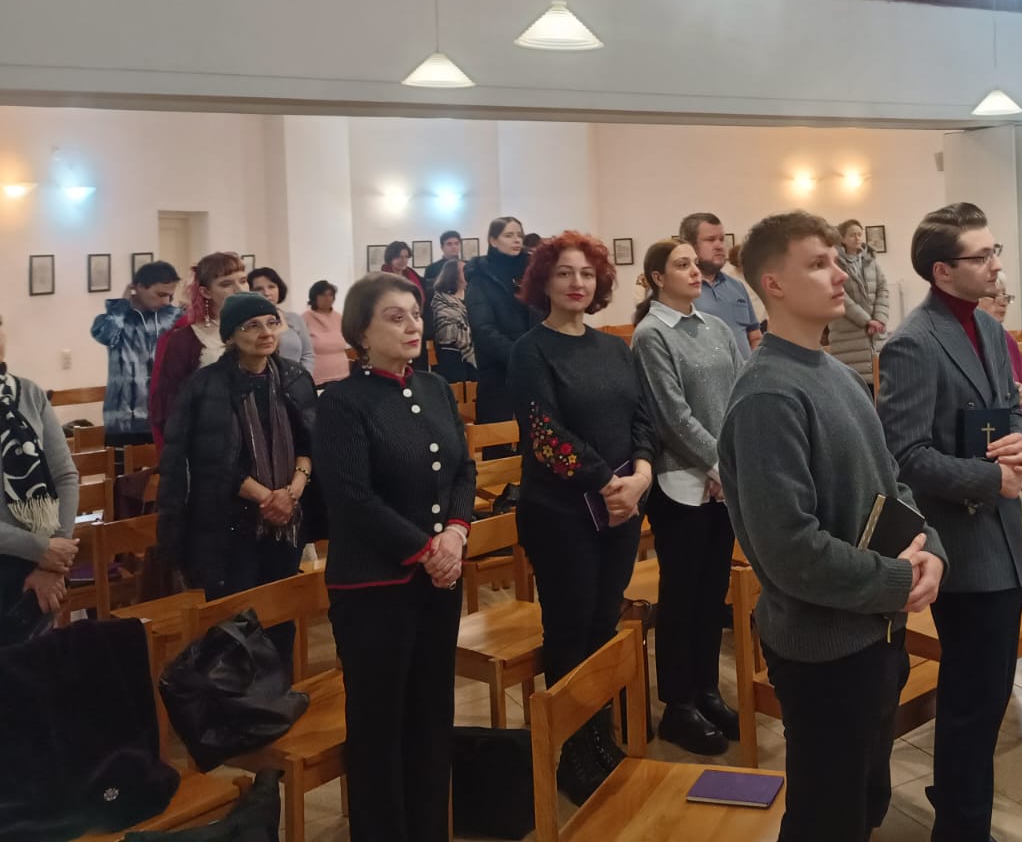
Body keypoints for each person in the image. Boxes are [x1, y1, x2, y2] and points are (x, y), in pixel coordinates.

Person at [719, 212, 945, 842]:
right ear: (774, 284)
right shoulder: (768, 396)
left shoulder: (838, 374)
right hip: (823, 649)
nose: (839, 273)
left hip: (875, 632)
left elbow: (891, 483)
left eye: (835, 260)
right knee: (827, 817)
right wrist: (898, 579)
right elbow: (791, 550)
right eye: (818, 263)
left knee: (867, 799)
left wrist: (931, 551)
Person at [878, 202, 1022, 841]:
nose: (996, 265)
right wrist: (989, 479)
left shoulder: (988, 328)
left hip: (1004, 535)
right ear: (943, 271)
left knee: (988, 695)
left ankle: (959, 808)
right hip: (961, 544)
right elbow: (904, 455)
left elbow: (1010, 410)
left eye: (995, 252)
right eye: (982, 255)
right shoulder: (914, 342)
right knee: (972, 700)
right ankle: (961, 829)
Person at [312, 273, 476, 842]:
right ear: (362, 331)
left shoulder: (434, 387)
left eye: (415, 314)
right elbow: (351, 497)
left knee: (432, 715)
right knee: (380, 726)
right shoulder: (341, 402)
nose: (412, 325)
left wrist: (455, 533)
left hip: (439, 580)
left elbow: (462, 470)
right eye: (395, 316)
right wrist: (424, 549)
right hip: (374, 588)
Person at [508, 232, 656, 804]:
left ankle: (600, 735)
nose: (577, 283)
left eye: (587, 274)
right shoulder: (531, 350)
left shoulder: (614, 348)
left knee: (602, 625)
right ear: (544, 282)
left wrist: (640, 476)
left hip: (620, 507)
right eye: (565, 273)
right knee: (570, 629)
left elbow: (642, 417)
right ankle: (571, 750)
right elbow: (546, 437)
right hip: (561, 513)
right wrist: (607, 482)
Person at [631, 239, 744, 757]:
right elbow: (671, 416)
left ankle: (707, 691)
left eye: (695, 263)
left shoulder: (715, 327)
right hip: (680, 484)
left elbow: (741, 392)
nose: (696, 271)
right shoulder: (651, 334)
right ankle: (678, 704)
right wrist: (718, 464)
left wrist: (729, 466)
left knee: (712, 593)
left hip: (722, 482)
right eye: (682, 265)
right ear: (658, 278)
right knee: (681, 597)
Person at [157, 293, 317, 659]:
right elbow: (209, 460)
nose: (266, 332)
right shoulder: (206, 385)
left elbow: (310, 444)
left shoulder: (294, 378)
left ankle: (279, 688)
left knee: (281, 619)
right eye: (252, 326)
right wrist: (267, 497)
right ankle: (238, 693)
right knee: (236, 625)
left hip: (287, 520)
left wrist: (291, 492)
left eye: (272, 323)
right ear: (230, 335)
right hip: (230, 521)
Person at [0, 311, 80, 624]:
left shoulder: (29, 394)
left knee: (34, 653)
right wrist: (41, 550)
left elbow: (65, 476)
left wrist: (54, 560)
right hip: (27, 553)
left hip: (40, 570)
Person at [149, 252, 251, 449]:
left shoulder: (260, 329)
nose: (239, 289)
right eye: (226, 284)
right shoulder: (184, 339)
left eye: (243, 280)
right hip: (210, 441)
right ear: (206, 292)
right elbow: (169, 404)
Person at [91, 261, 181, 453]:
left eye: (170, 296)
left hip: (166, 419)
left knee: (165, 473)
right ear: (139, 287)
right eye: (160, 294)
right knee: (122, 472)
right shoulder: (115, 319)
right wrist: (121, 305)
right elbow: (105, 335)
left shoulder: (172, 317)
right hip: (124, 421)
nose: (166, 302)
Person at [465, 216, 537, 424]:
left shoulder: (532, 273)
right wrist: (519, 356)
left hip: (534, 371)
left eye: (519, 235)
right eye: (509, 235)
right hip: (498, 373)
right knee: (499, 436)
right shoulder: (480, 277)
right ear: (493, 240)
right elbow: (483, 328)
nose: (517, 240)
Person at [679, 212, 761, 357]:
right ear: (689, 245)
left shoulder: (737, 287)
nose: (719, 246)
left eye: (722, 239)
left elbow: (754, 336)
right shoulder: (677, 291)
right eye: (710, 240)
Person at [828, 219, 890, 382]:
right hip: (849, 333)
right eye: (852, 235)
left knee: (879, 382)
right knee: (856, 382)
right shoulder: (834, 263)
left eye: (859, 234)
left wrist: (879, 319)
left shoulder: (870, 261)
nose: (857, 238)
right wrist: (866, 320)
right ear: (842, 239)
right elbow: (841, 296)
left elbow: (883, 289)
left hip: (875, 331)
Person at [979, 277, 1022, 412]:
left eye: (1004, 295)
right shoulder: (962, 341)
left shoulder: (1006, 339)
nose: (1003, 303)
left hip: (1013, 420)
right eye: (994, 295)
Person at [248, 266, 314, 373]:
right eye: (259, 289)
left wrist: (304, 378)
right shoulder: (247, 322)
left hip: (297, 379)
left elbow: (307, 354)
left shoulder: (294, 319)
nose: (266, 293)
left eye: (271, 287)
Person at [429, 259, 476, 383]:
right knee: (455, 365)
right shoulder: (441, 299)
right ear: (454, 275)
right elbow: (445, 329)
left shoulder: (472, 295)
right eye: (464, 270)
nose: (468, 272)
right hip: (450, 348)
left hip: (474, 345)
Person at [303, 281, 349, 386]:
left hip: (342, 374)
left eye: (330, 295)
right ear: (314, 297)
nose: (327, 298)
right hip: (318, 377)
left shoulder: (339, 317)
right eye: (323, 295)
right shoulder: (304, 318)